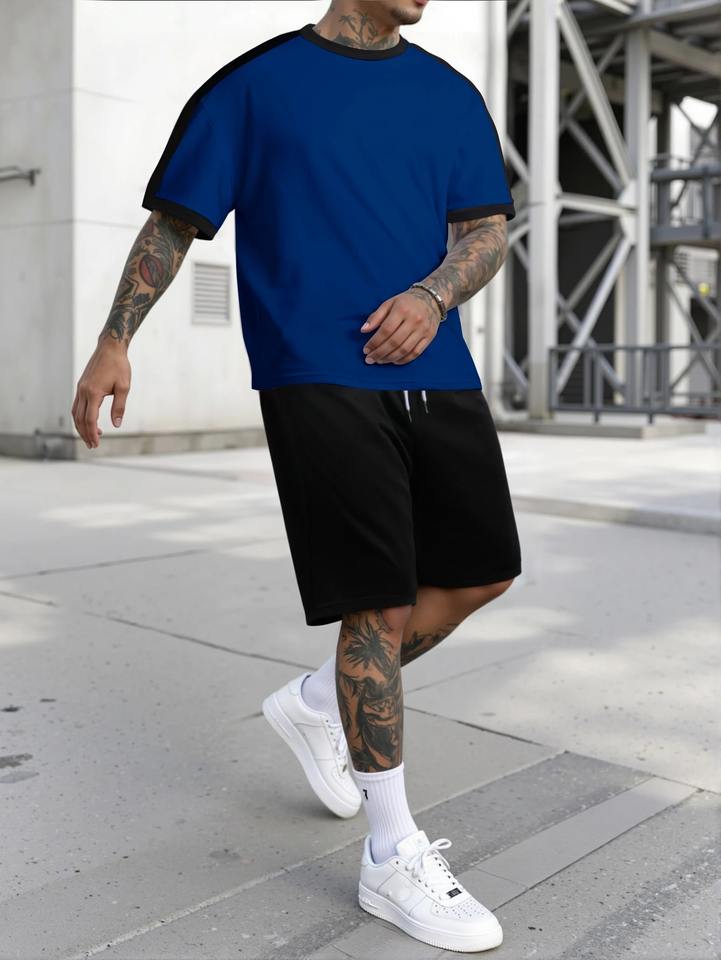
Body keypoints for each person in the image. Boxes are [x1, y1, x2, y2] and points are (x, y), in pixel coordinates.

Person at [71, 1, 521, 951]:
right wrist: (114, 340)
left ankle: (319, 703)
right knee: (377, 605)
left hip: (436, 368)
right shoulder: (256, 86)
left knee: (482, 576)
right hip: (314, 371)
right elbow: (173, 226)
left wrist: (433, 294)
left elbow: (485, 229)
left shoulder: (448, 93)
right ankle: (390, 854)